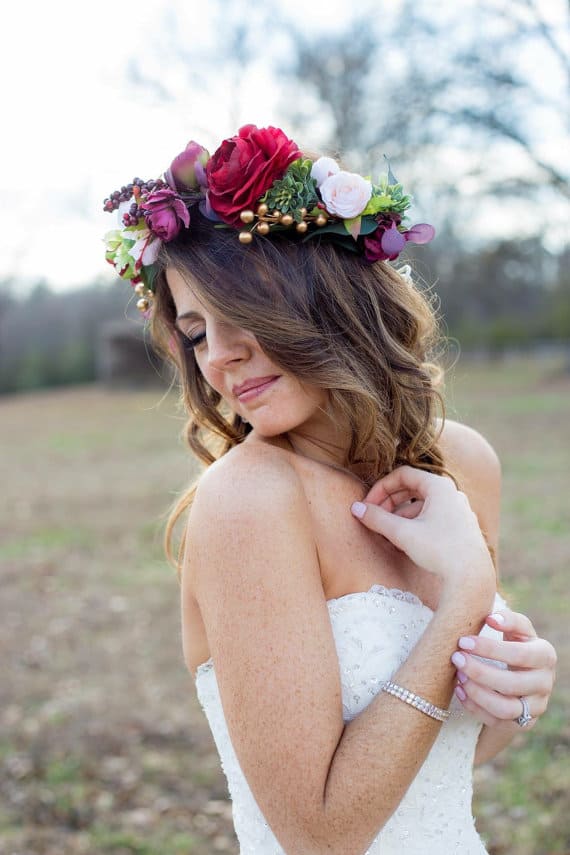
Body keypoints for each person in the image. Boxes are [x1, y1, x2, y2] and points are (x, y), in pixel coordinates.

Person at [103, 125, 557, 854]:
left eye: (242, 313)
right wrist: (466, 592)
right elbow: (321, 832)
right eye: (195, 332)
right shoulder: (248, 502)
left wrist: (517, 699)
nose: (219, 357)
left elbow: (446, 758)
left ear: (330, 292)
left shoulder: (465, 464)